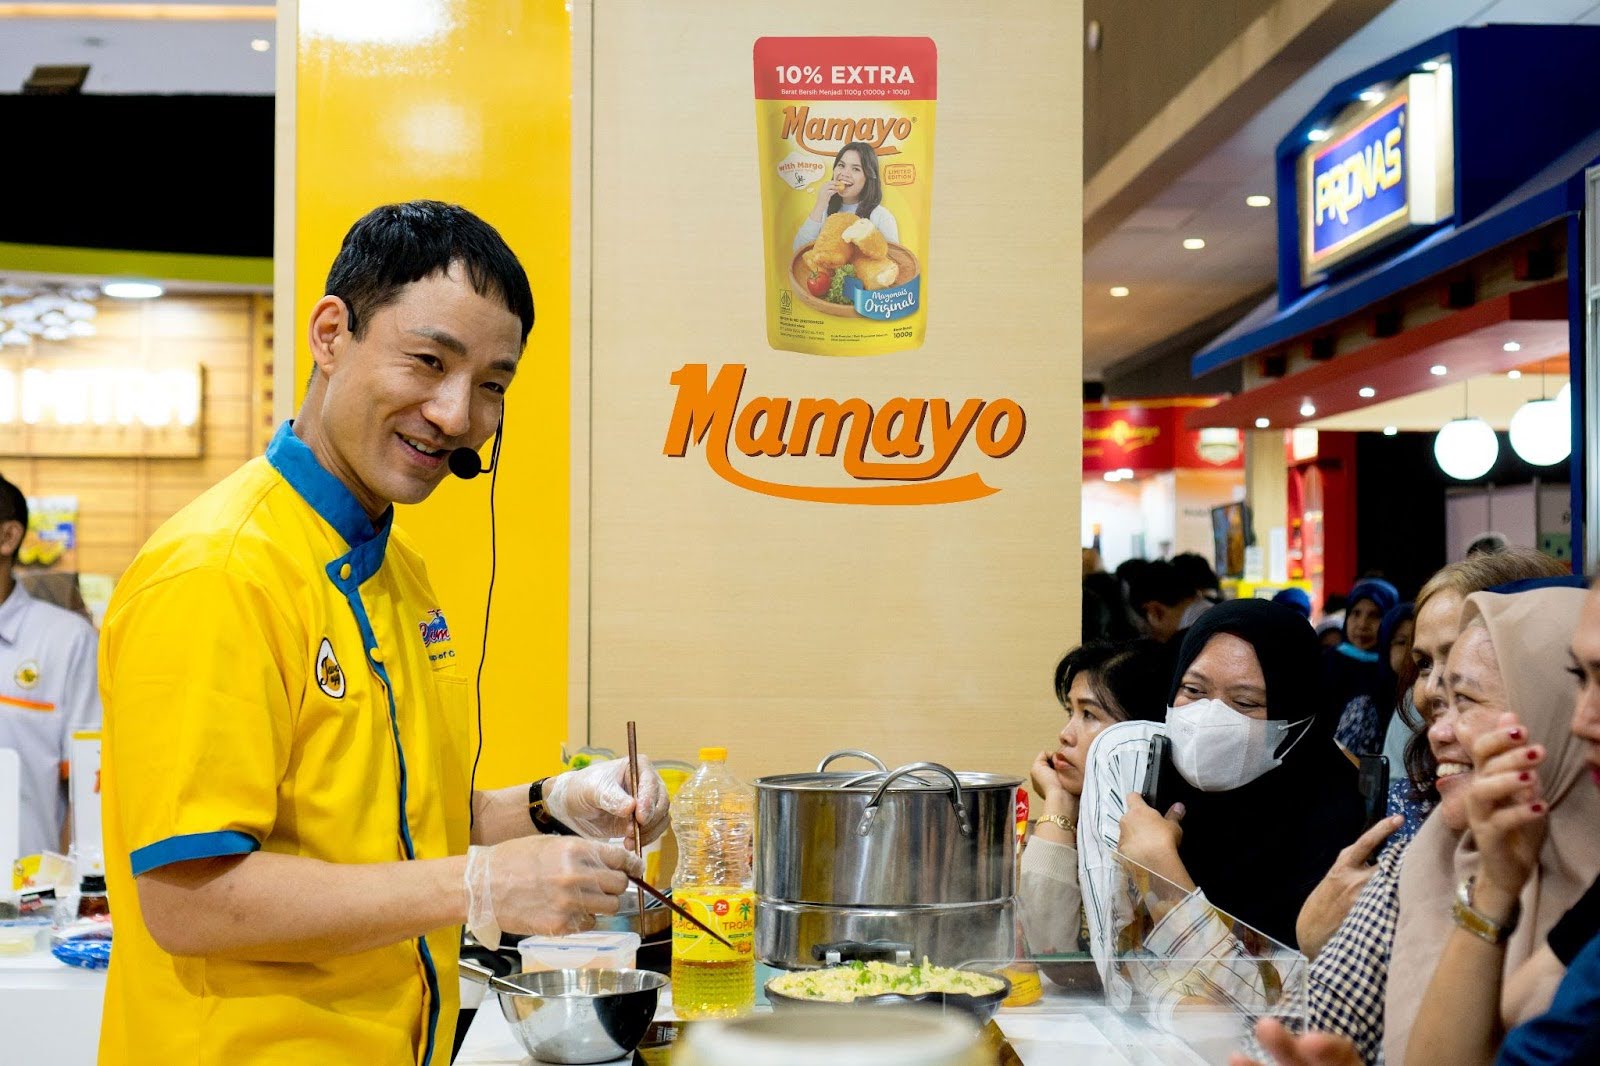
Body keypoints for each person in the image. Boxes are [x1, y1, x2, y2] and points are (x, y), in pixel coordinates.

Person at [97, 202, 671, 1064]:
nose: (455, 414)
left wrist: (554, 807)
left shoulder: (396, 573)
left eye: (492, 386)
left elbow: (397, 824)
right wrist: (478, 885)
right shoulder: (218, 571)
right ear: (332, 334)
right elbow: (189, 901)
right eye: (429, 361)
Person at [1233, 583, 1600, 1066]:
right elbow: (1283, 1042)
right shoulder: (1432, 857)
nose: (1436, 729)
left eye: (1466, 699)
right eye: (1426, 674)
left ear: (1543, 702)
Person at [1078, 600, 1367, 959]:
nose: (1210, 718)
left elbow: (1278, 1001)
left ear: (1297, 722)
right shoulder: (1139, 774)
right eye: (1193, 690)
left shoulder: (1338, 824)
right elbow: (1119, 971)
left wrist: (1163, 873)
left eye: (1245, 703)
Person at [1021, 640, 1169, 961]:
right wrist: (1058, 800)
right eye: (1070, 712)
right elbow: (1048, 949)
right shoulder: (1080, 806)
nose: (1065, 734)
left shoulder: (1163, 831)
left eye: (1089, 714)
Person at [0, 474, 101, 859]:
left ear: (8, 538)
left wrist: (67, 896)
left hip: (25, 906)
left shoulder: (67, 642)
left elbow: (86, 788)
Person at [1334, 602, 1415, 759]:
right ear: (1385, 646)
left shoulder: (1439, 701)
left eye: (1417, 641)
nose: (1411, 651)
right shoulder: (1366, 706)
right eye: (1401, 642)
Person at [792, 140, 900, 252]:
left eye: (856, 169)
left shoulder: (881, 217)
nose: (844, 173)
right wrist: (820, 205)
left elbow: (895, 260)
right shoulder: (823, 211)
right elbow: (799, 250)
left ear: (868, 177)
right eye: (841, 165)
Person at [1126, 559, 1213, 644]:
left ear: (1154, 611)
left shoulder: (1191, 641)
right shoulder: (1212, 614)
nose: (1153, 636)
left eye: (1146, 629)